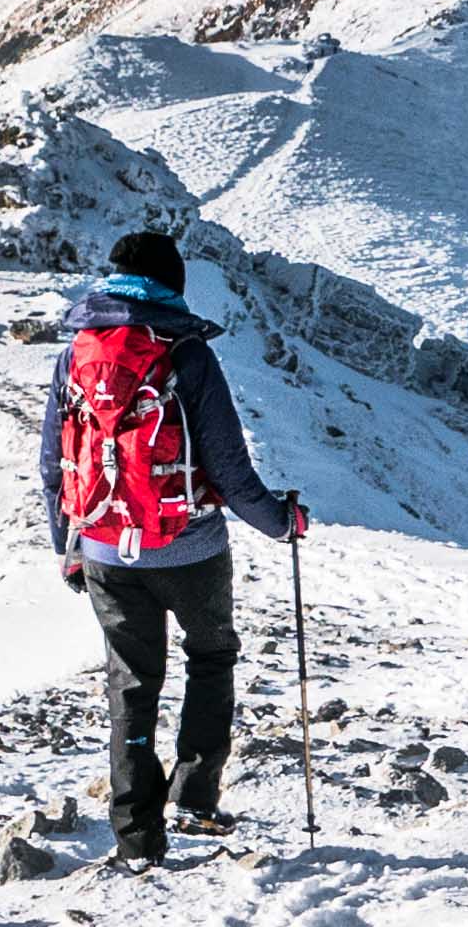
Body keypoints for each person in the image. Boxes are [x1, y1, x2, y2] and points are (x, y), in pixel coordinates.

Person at [40, 229, 304, 866]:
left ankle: (136, 837)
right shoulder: (186, 354)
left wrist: (69, 544)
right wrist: (281, 523)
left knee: (130, 685)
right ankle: (196, 795)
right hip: (191, 548)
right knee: (211, 656)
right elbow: (231, 470)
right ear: (172, 285)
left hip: (103, 546)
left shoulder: (77, 352)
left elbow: (53, 460)